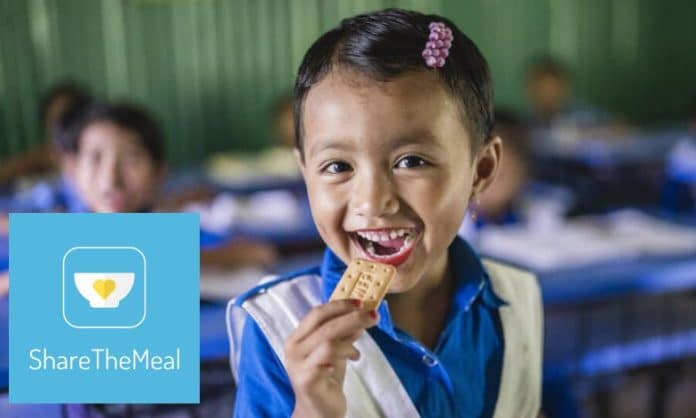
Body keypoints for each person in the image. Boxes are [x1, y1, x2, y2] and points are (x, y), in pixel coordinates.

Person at [229, 9, 542, 418]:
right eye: (338, 167)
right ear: (306, 175)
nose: (373, 201)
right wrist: (310, 408)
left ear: (480, 170)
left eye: (411, 161)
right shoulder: (279, 328)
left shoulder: (517, 300)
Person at [0, 82, 91, 186]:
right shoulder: (41, 159)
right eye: (54, 120)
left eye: (68, 118)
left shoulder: (96, 160)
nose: (61, 126)